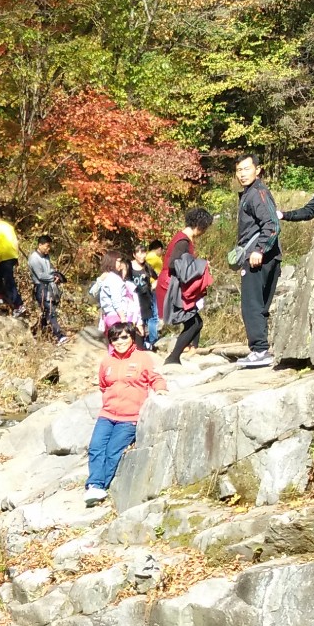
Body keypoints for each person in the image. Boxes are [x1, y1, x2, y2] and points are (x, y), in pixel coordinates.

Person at [83, 321, 167, 505]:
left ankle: (100, 485)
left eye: (123, 337)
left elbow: (156, 378)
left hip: (130, 418)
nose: (119, 341)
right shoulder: (107, 362)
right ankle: (94, 485)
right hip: (107, 415)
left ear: (131, 337)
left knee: (113, 451)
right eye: (114, 339)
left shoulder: (143, 358)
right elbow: (104, 386)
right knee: (96, 447)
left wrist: (160, 389)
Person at [231, 154, 281, 367]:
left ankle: (260, 350)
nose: (242, 174)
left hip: (257, 258)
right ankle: (262, 349)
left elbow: (272, 225)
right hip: (267, 257)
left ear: (257, 170)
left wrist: (259, 250)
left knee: (251, 305)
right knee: (260, 305)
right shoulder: (250, 194)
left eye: (246, 169)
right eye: (239, 170)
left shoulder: (256, 193)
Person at [158, 209, 214, 365]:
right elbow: (174, 264)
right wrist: (200, 265)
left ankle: (179, 355)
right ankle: (173, 358)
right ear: (199, 225)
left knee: (195, 322)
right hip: (171, 286)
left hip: (174, 285)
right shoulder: (182, 241)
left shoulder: (183, 239)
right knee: (194, 323)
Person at [89, 253, 140, 336]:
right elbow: (116, 301)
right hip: (116, 316)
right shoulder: (114, 279)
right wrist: (123, 318)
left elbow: (93, 293)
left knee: (112, 343)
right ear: (111, 262)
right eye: (118, 261)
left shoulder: (108, 277)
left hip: (108, 316)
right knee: (119, 343)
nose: (120, 264)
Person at [28, 237, 68, 342]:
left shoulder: (46, 256)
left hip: (50, 287)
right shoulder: (34, 258)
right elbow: (40, 275)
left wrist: (57, 275)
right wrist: (53, 277)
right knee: (50, 311)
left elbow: (50, 269)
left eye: (49, 246)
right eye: (47, 246)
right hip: (41, 288)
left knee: (47, 312)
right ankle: (59, 336)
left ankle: (40, 334)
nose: (48, 249)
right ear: (40, 245)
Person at [138, 241, 164, 348]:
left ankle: (146, 340)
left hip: (148, 289)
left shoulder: (148, 257)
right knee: (153, 316)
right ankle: (152, 341)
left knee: (149, 316)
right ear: (159, 248)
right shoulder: (153, 258)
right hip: (151, 289)